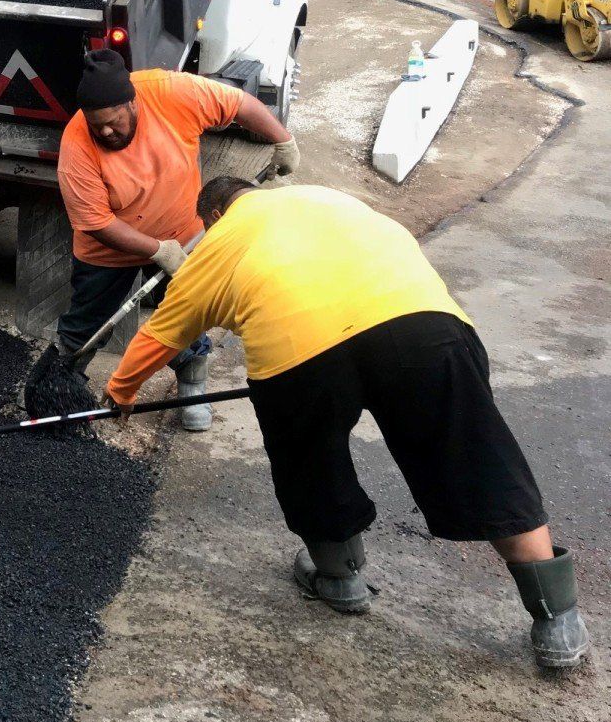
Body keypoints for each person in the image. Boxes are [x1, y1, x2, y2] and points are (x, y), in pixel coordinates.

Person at [102, 175, 589, 671]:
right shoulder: (328, 197)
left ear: (213, 217)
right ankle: (559, 620)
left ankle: (339, 576)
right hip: (424, 325)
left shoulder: (218, 242)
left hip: (301, 355)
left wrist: (119, 392)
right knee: (477, 454)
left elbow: (162, 334)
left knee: (309, 457)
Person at [55, 49, 297, 431]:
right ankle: (60, 389)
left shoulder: (171, 93)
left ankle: (192, 382)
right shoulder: (77, 144)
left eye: (113, 122)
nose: (104, 132)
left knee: (186, 313)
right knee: (85, 322)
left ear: (132, 102)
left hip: (182, 237)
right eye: (95, 124)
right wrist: (156, 250)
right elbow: (96, 223)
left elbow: (240, 104)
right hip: (108, 248)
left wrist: (282, 140)